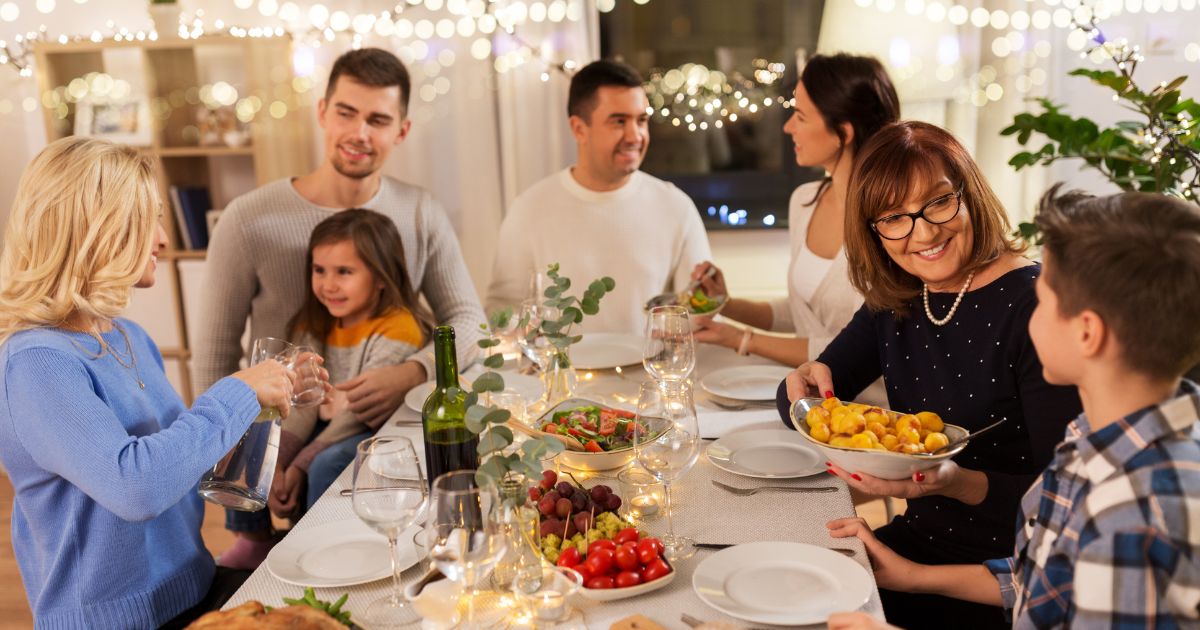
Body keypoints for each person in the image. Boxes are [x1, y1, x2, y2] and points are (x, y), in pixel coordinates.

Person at [825, 187, 1200, 629]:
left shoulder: (1132, 519)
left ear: (1087, 334)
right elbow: (1045, 582)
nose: (1027, 304)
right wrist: (912, 577)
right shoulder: (1094, 437)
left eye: (1043, 296)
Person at [778, 121, 1081, 629]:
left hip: (1013, 578)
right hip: (915, 548)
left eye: (939, 203)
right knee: (785, 599)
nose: (923, 233)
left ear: (969, 194)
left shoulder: (1034, 307)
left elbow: (1068, 508)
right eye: (894, 217)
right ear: (874, 230)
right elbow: (802, 403)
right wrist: (805, 382)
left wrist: (956, 484)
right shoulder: (898, 295)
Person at [194, 48, 486, 567]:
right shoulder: (248, 219)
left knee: (342, 524)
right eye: (347, 113)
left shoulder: (421, 211)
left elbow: (470, 323)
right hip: (279, 418)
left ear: (401, 130)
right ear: (323, 112)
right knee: (258, 556)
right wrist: (232, 446)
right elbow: (215, 353)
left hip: (369, 419)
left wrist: (411, 373)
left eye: (378, 120)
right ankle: (256, 543)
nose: (359, 133)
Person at [0, 137, 303, 629]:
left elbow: (179, 465)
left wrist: (267, 404)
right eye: (147, 221)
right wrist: (240, 392)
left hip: (191, 589)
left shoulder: (128, 337)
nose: (162, 239)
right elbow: (137, 487)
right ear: (95, 230)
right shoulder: (36, 362)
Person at [691, 54, 897, 406]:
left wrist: (741, 339)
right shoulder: (805, 201)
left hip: (869, 410)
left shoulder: (890, 223)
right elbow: (802, 314)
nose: (788, 127)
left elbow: (858, 346)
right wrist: (724, 304)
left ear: (843, 132)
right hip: (808, 403)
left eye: (800, 116)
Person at [485, 59, 712, 334]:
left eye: (641, 120)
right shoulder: (529, 209)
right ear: (579, 129)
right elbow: (501, 310)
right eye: (619, 122)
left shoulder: (676, 207)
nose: (635, 136)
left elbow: (699, 316)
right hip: (560, 364)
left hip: (648, 363)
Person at [268, 208, 433, 521]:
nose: (328, 285)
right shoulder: (314, 322)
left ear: (381, 277)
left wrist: (300, 465)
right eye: (320, 270)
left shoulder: (399, 327)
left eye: (344, 272)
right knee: (257, 441)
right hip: (329, 421)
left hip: (374, 427)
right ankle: (268, 536)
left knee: (325, 463)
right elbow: (303, 402)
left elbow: (357, 413)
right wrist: (278, 463)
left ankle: (319, 536)